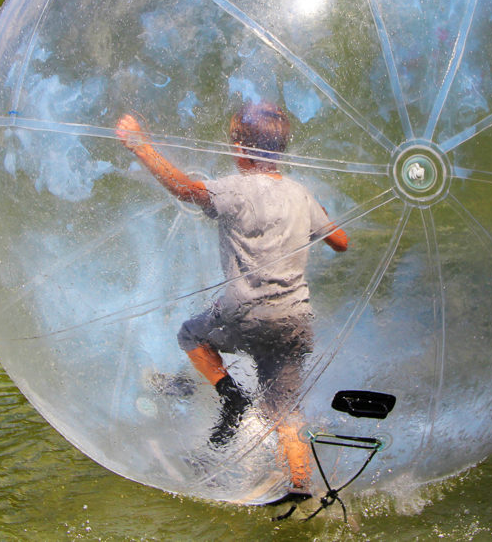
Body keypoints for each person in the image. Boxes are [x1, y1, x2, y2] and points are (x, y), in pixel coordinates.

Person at [115, 100, 349, 503]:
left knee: (191, 335)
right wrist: (313, 214)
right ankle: (299, 484)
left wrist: (142, 146)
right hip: (294, 318)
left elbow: (185, 189)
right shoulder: (299, 193)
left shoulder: (235, 188)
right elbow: (340, 242)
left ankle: (231, 394)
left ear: (240, 149)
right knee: (285, 411)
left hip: (245, 312)